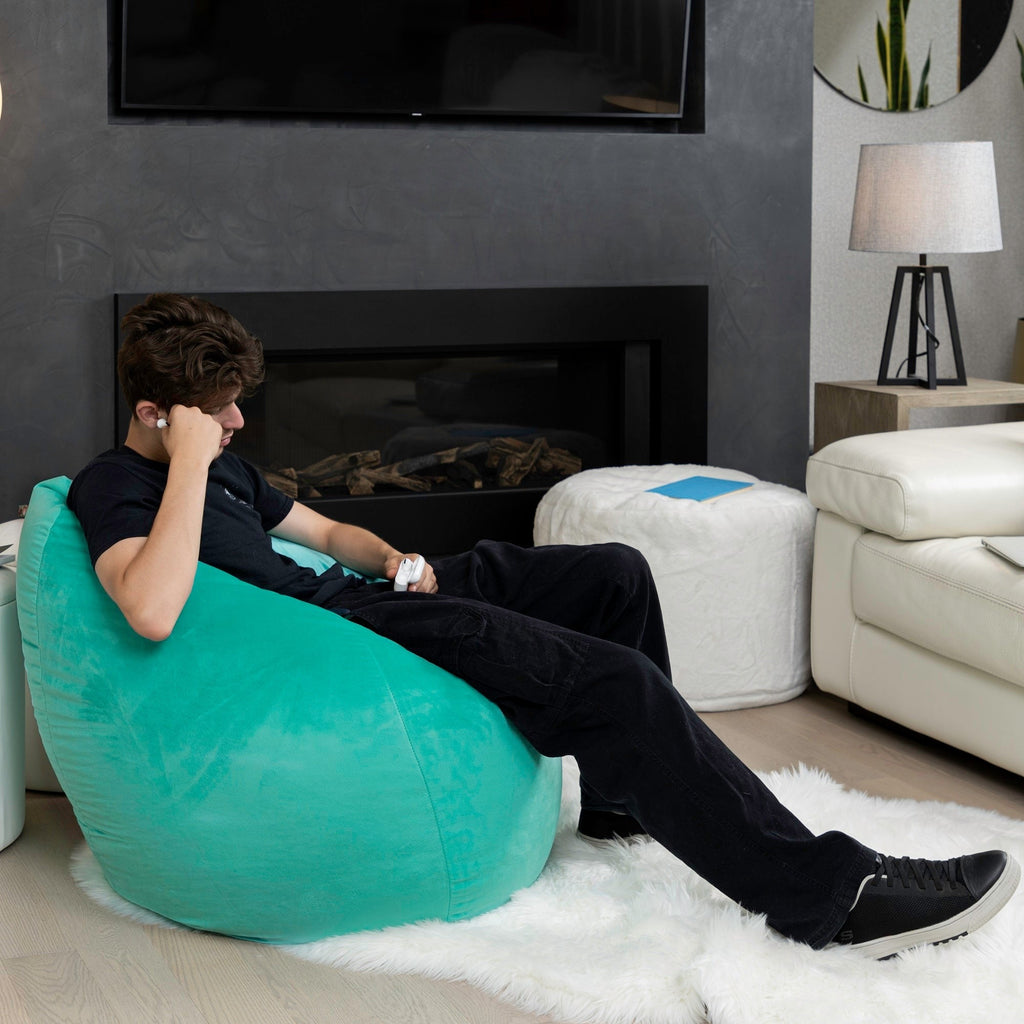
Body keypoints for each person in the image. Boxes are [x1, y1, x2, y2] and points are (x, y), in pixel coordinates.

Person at [69, 293, 1019, 961]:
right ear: (154, 415)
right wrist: (185, 463)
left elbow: (321, 532)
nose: (236, 421)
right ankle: (832, 899)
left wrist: (398, 558)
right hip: (344, 639)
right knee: (614, 684)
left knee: (615, 575)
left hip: (375, 597)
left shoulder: (227, 466)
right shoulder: (117, 487)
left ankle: (621, 804)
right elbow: (149, 610)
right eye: (215, 412)